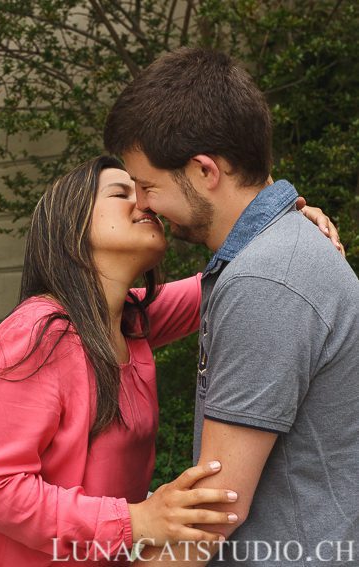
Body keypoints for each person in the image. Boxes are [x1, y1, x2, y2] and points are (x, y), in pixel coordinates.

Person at [0, 155, 338, 566]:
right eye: (121, 193)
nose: (143, 202)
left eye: (142, 190)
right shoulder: (36, 333)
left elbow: (244, 275)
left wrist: (284, 224)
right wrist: (135, 520)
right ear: (72, 225)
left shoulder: (130, 320)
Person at [104, 47, 359, 566]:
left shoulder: (265, 279)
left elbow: (214, 511)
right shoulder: (273, 257)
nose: (144, 204)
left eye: (148, 186)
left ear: (204, 171)